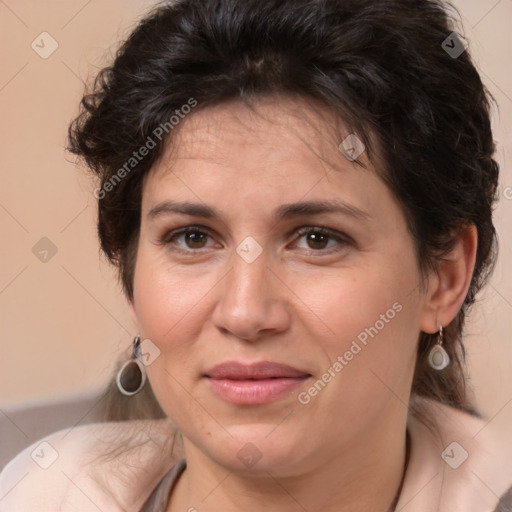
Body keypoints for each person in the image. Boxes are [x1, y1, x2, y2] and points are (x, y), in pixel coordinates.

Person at [1, 0, 510, 510]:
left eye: (317, 239)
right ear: (130, 278)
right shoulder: (42, 493)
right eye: (193, 238)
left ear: (445, 277)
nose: (245, 313)